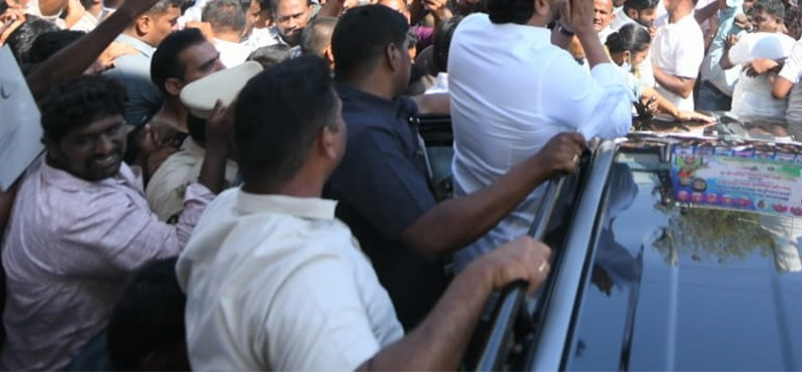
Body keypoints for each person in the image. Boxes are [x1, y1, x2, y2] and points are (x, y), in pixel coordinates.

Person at [176, 57, 554, 371]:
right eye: (341, 117)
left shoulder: (223, 209)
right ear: (328, 141)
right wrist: (480, 277)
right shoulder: (307, 274)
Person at [324, 5, 585, 328]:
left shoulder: (369, 105)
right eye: (408, 48)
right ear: (393, 55)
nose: (411, 56)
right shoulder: (366, 137)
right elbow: (432, 235)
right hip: (390, 328)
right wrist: (538, 166)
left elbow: (434, 103)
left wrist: (561, 39)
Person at [1, 76, 226, 370]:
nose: (105, 148)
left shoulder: (61, 166)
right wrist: (217, 147)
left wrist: (142, 162)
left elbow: (119, 199)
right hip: (68, 361)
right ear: (52, 146)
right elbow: (185, 255)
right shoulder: (77, 214)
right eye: (86, 139)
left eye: (113, 130)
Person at [448, 0, 635, 264]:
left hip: (468, 248)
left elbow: (532, 60)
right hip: (521, 268)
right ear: (540, 3)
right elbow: (618, 121)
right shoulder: (552, 69)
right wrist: (587, 33)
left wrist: (564, 26)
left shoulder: (467, 32)